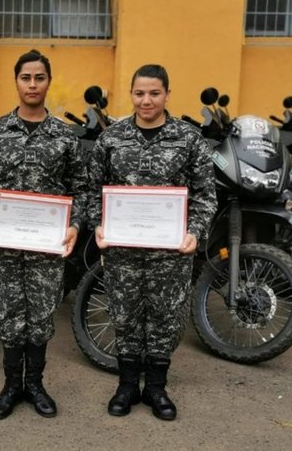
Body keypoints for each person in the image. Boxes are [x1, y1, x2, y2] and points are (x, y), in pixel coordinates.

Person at [88, 64, 217, 420]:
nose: (147, 101)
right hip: (122, 252)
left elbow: (206, 193)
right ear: (131, 94)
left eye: (154, 93)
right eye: (140, 93)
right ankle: (127, 386)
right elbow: (92, 189)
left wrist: (195, 230)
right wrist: (98, 224)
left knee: (164, 318)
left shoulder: (188, 139)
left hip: (170, 252)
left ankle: (157, 388)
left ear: (167, 95)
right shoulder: (111, 138)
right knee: (125, 316)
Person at [0, 49, 89, 419]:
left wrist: (74, 225)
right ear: (16, 81)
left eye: (39, 78)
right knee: (8, 314)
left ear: (48, 82)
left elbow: (81, 188)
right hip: (5, 245)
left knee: (39, 317)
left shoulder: (65, 137)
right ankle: (10, 387)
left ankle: (35, 385)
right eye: (26, 78)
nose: (33, 84)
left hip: (46, 247)